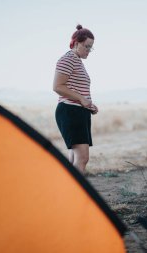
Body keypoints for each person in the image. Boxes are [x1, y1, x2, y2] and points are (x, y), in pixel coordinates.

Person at [53, 24, 98, 174]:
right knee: (82, 158)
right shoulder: (68, 59)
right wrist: (82, 99)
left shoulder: (77, 60)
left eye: (91, 47)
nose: (89, 51)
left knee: (74, 159)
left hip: (78, 111)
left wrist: (88, 104)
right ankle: (74, 196)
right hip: (70, 111)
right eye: (87, 46)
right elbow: (58, 86)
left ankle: (66, 194)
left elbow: (76, 89)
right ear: (76, 43)